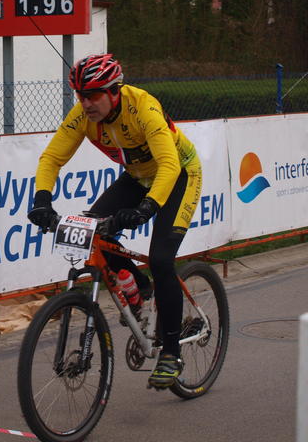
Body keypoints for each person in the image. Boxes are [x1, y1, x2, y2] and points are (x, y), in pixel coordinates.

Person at [27, 54, 202, 389]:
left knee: (161, 260)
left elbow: (168, 164)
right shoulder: (83, 115)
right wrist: (42, 200)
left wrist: (147, 208)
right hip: (137, 177)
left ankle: (171, 353)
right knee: (95, 233)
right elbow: (52, 158)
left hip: (179, 175)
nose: (85, 103)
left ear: (114, 91)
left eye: (93, 95)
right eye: (80, 95)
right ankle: (140, 288)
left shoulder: (143, 107)